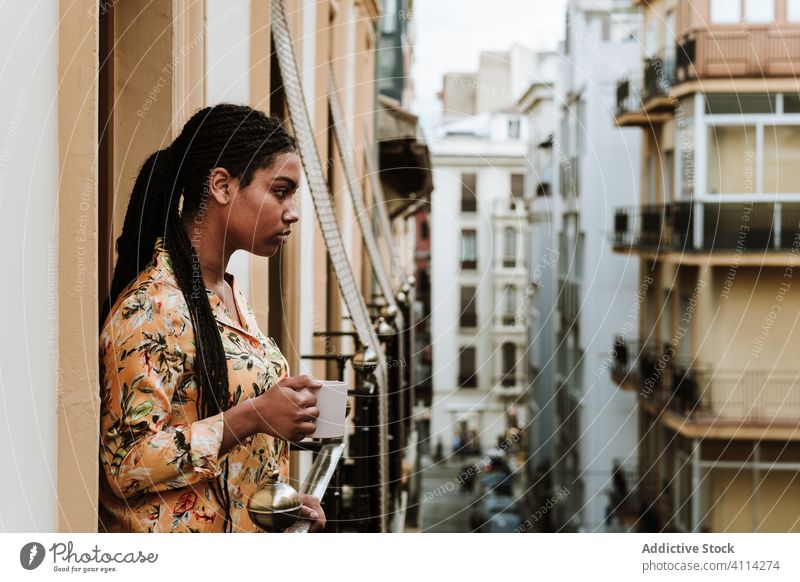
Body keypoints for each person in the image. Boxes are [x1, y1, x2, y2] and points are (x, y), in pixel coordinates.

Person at [98, 104, 326, 533]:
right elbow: (126, 466)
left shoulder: (229, 296)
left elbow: (227, 457)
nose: (292, 211)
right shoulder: (151, 309)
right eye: (281, 191)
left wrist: (281, 504)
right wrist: (255, 415)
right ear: (221, 185)